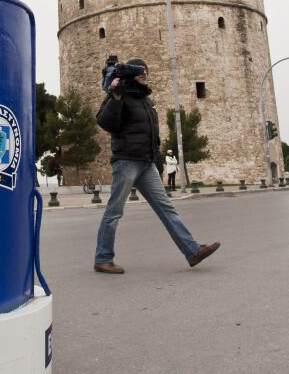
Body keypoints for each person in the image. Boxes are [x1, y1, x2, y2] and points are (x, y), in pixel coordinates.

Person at [93, 59, 219, 274]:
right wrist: (115, 98)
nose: (144, 74)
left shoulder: (146, 100)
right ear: (129, 75)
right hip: (126, 161)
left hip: (147, 162)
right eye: (139, 71)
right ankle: (103, 258)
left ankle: (192, 251)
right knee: (114, 212)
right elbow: (106, 123)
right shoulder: (119, 95)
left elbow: (152, 134)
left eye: (146, 70)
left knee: (166, 208)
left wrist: (157, 158)